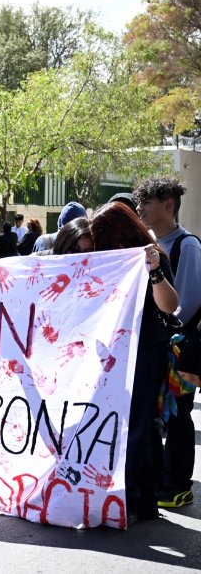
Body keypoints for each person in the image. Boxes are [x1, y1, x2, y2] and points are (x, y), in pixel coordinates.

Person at [90, 201, 179, 522]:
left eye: (106, 236)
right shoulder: (106, 260)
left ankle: (138, 497)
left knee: (138, 424)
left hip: (145, 351)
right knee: (122, 423)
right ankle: (135, 495)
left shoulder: (152, 256)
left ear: (122, 233)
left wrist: (153, 271)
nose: (103, 244)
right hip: (114, 352)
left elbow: (170, 306)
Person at [134, 177, 201, 510]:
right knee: (159, 418)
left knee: (178, 417)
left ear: (168, 204)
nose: (140, 209)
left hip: (179, 351)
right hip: (156, 349)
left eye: (147, 202)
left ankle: (178, 485)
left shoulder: (186, 244)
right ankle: (161, 481)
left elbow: (186, 303)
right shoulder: (144, 243)